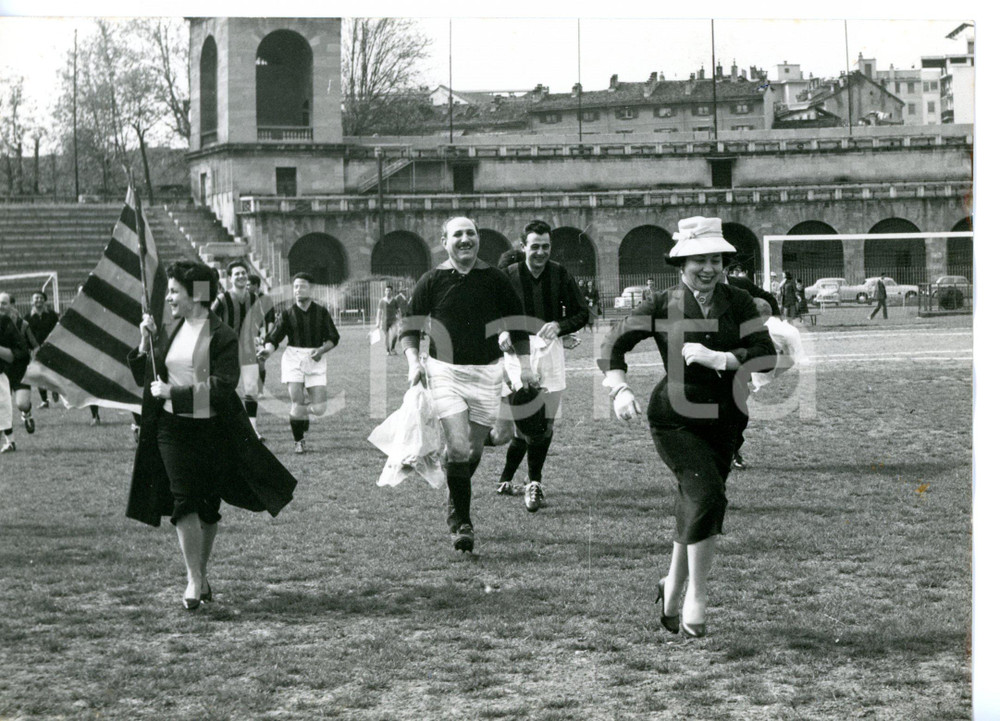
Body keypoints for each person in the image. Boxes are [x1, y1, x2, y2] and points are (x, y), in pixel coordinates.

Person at [598, 216, 775, 638]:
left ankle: (671, 584)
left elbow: (765, 354)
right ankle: (697, 591)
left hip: (727, 419)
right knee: (708, 494)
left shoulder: (741, 302)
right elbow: (612, 344)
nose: (709, 269)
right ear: (681, 264)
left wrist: (724, 359)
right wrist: (620, 389)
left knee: (697, 500)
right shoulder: (663, 304)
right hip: (674, 419)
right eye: (700, 261)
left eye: (716, 260)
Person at [128, 260, 297, 610]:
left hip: (212, 431)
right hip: (171, 430)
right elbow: (147, 376)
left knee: (207, 507)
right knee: (184, 500)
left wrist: (173, 393)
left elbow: (222, 388)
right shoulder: (169, 329)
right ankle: (193, 578)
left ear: (197, 294)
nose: (170, 297)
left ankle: (201, 574)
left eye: (176, 291)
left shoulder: (221, 335)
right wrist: (144, 344)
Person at [400, 216, 536, 553]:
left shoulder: (495, 279)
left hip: (488, 373)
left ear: (478, 239)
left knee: (472, 450)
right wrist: (412, 362)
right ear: (444, 240)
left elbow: (517, 325)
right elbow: (411, 325)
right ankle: (461, 523)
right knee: (459, 448)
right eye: (457, 234)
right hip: (444, 372)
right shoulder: (432, 280)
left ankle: (454, 493)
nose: (465, 239)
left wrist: (527, 368)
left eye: (471, 233)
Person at [493, 219, 589, 512]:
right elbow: (490, 311)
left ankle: (529, 482)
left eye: (545, 246)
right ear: (523, 247)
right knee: (525, 423)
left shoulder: (559, 274)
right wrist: (501, 331)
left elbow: (582, 313)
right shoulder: (507, 275)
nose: (540, 252)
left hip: (550, 351)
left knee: (544, 423)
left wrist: (559, 325)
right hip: (516, 355)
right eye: (534, 246)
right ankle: (519, 479)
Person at [259, 272, 340, 454]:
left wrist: (321, 350)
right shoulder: (287, 314)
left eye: (302, 286)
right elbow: (274, 337)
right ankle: (299, 441)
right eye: (295, 286)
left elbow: (334, 338)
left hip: (315, 357)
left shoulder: (321, 312)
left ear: (310, 289)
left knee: (319, 408)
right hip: (293, 357)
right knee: (297, 401)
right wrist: (268, 351)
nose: (298, 290)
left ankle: (304, 413)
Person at [732, 297, 806, 470]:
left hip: (740, 375)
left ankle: (732, 453)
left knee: (738, 416)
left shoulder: (765, 330)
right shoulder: (737, 327)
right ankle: (728, 453)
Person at [211, 260, 266, 439]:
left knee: (251, 388)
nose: (241, 276)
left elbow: (259, 321)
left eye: (243, 273)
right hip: (227, 350)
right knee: (225, 389)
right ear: (229, 278)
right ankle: (223, 428)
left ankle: (252, 430)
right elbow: (208, 320)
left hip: (249, 349)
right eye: (237, 274)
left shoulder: (254, 298)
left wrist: (259, 337)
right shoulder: (222, 299)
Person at [0, 293, 39, 438]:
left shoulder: (22, 325)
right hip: (2, 371)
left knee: (22, 404)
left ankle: (27, 413)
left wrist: (34, 363)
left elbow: (34, 346)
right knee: (3, 408)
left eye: (4, 303)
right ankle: (10, 442)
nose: (0, 306)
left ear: (12, 305)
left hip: (19, 370)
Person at [0, 308, 30, 453]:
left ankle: (10, 442)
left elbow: (20, 351)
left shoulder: (3, 321)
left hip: (3, 372)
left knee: (3, 408)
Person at [26, 291, 60, 407]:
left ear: (45, 300)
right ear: (32, 301)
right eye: (36, 298)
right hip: (36, 349)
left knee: (53, 372)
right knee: (39, 375)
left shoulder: (52, 315)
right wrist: (32, 348)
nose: (39, 300)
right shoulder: (27, 317)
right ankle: (44, 401)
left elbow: (58, 330)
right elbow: (26, 335)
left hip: (51, 347)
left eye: (41, 298)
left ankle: (55, 390)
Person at [247, 274, 276, 388]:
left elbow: (270, 318)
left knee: (260, 362)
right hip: (249, 336)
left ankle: (259, 388)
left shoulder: (266, 299)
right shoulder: (246, 299)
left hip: (261, 335)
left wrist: (268, 335)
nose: (247, 287)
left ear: (256, 285)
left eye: (249, 285)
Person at [374, 285, 401, 355]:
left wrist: (400, 319)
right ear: (384, 292)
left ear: (392, 291)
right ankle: (387, 351)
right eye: (386, 290)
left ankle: (393, 348)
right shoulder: (382, 301)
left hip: (393, 321)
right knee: (386, 336)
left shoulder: (395, 300)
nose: (388, 292)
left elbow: (398, 310)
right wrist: (378, 322)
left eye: (389, 290)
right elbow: (379, 312)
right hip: (384, 321)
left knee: (395, 334)